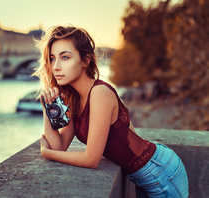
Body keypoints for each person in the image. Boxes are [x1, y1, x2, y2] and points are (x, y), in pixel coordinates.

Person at [33, 25, 189, 198]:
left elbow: (91, 159)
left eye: (65, 57)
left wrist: (47, 154)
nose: (56, 67)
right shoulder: (75, 99)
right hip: (144, 176)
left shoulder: (99, 93)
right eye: (53, 58)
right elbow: (59, 146)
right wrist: (47, 106)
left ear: (86, 60)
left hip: (160, 172)